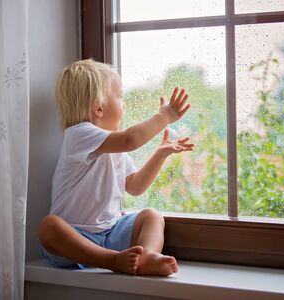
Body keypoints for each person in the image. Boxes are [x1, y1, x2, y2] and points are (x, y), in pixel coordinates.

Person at [38, 59, 194, 276]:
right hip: (75, 240)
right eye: (119, 96)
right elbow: (130, 139)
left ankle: (144, 256)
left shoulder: (115, 147)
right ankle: (113, 261)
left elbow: (135, 186)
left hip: (111, 233)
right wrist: (164, 116)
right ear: (98, 108)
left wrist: (160, 154)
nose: (125, 103)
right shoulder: (79, 134)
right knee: (49, 227)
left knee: (152, 216)